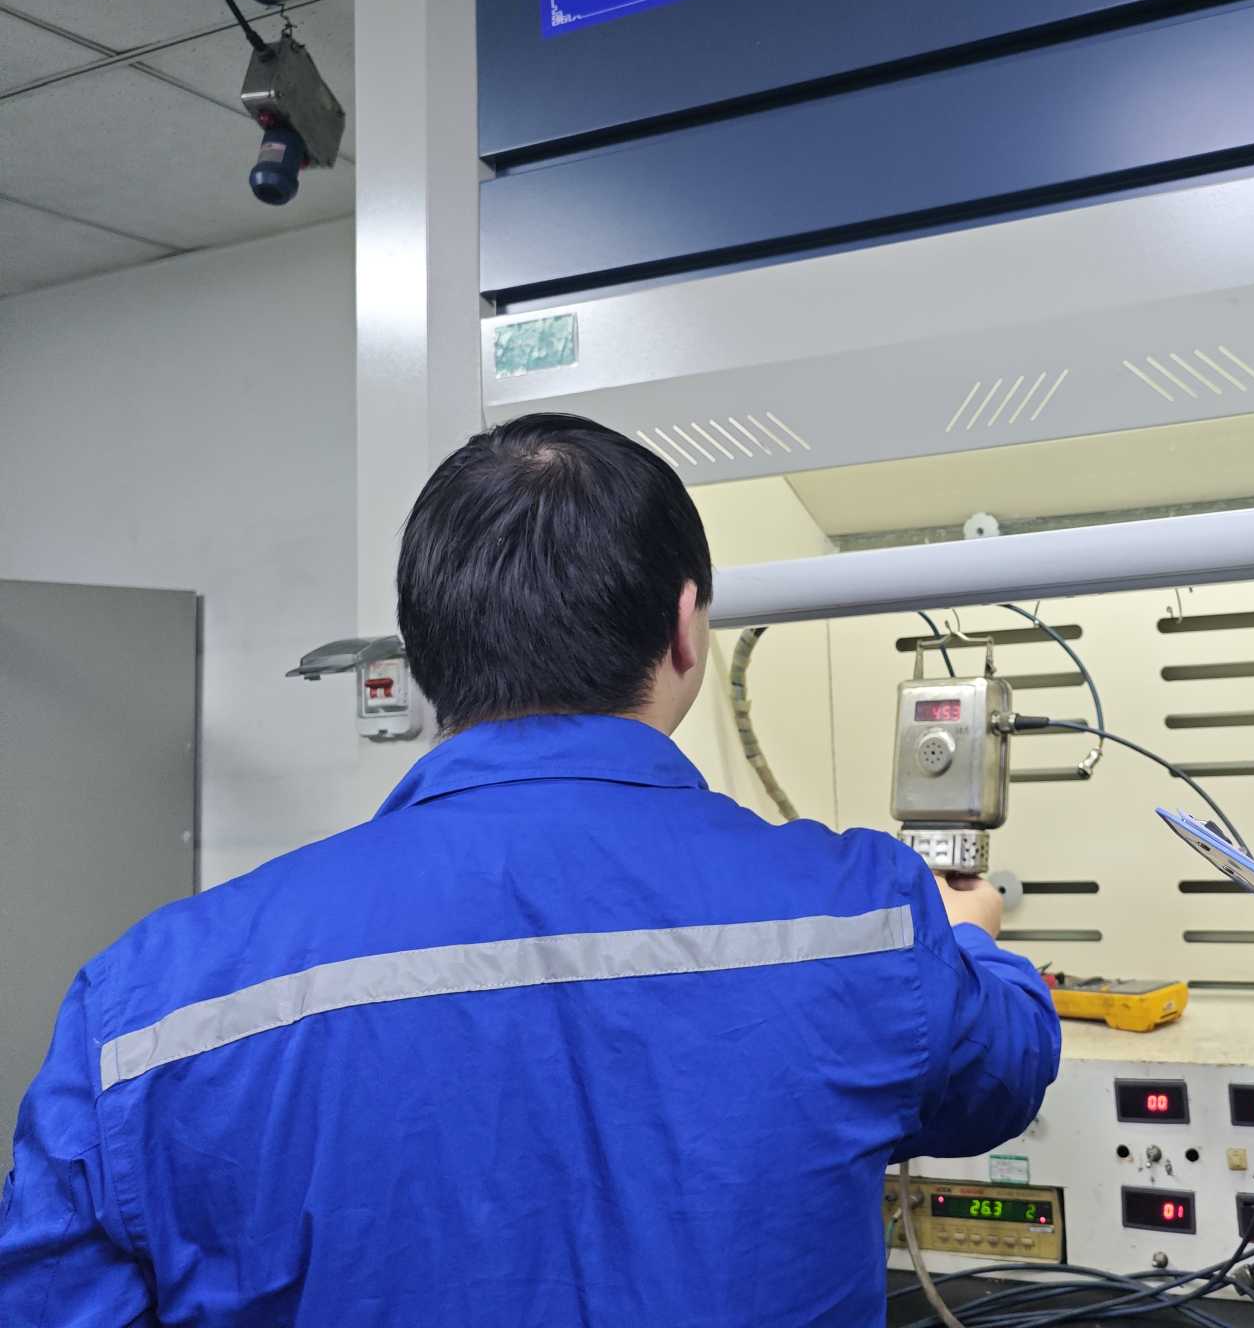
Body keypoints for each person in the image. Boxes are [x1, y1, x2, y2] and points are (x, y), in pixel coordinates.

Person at [0, 412, 1060, 1325]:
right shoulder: (867, 918)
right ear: (685, 629)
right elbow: (1002, 1073)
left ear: (424, 653)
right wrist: (973, 941)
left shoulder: (146, 1003)